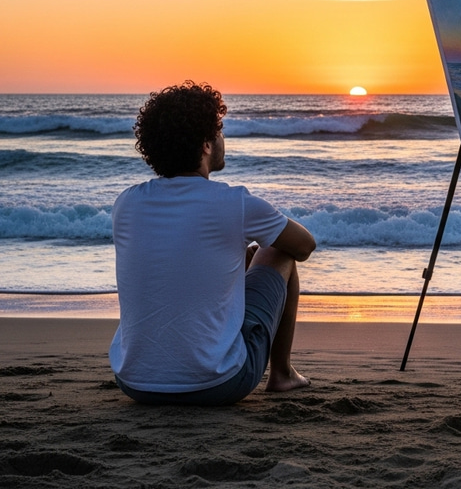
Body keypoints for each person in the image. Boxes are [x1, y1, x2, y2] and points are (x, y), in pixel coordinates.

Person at [109, 81, 316, 405]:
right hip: (219, 383)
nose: (222, 139)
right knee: (278, 250)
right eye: (218, 131)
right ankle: (283, 374)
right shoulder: (235, 202)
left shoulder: (127, 203)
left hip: (135, 382)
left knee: (241, 254)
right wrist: (261, 232)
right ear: (206, 145)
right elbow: (304, 246)